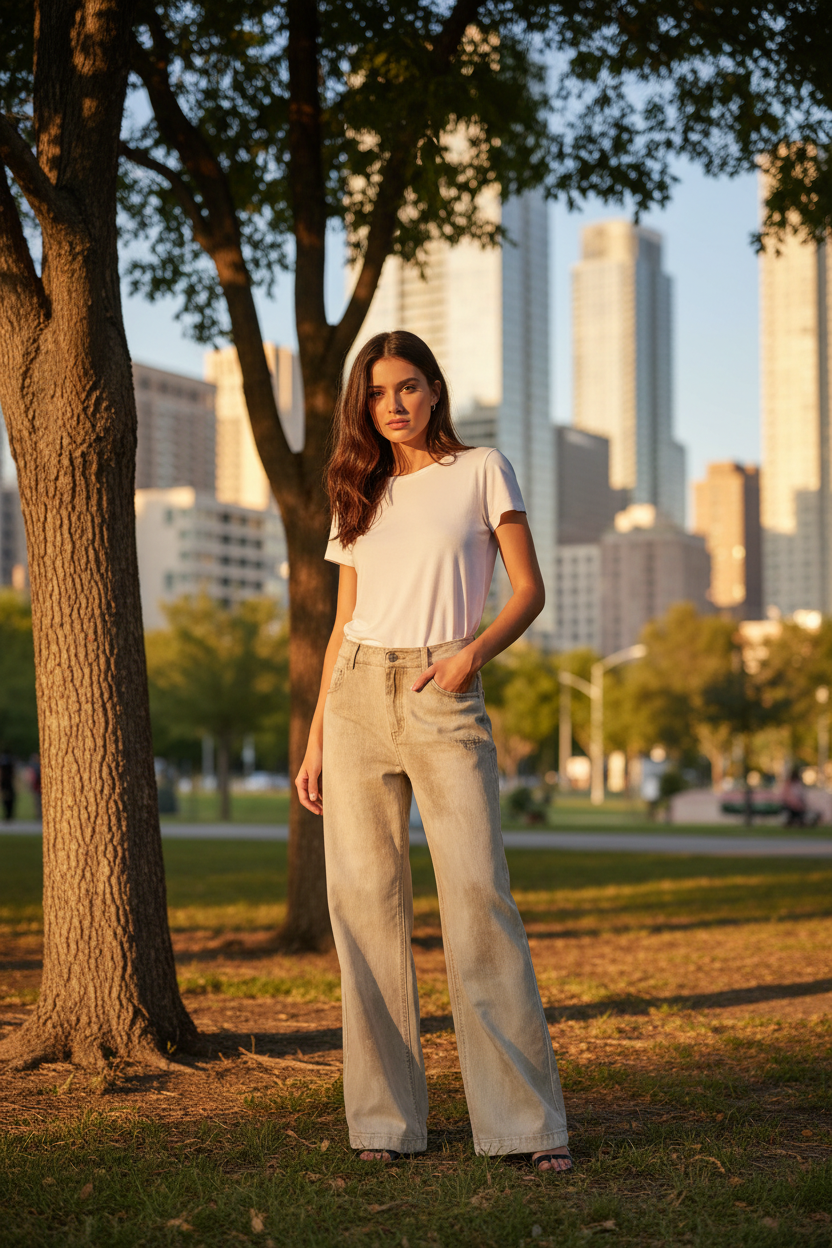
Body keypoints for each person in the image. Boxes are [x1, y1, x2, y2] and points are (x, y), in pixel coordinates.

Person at [296, 330, 571, 1173]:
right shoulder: (357, 490)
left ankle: (525, 1125)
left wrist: (468, 657)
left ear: (434, 390)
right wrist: (315, 736)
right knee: (364, 909)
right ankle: (385, 1123)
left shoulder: (482, 469)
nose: (395, 405)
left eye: (409, 386)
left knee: (479, 899)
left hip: (442, 689)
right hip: (354, 698)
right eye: (379, 393)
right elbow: (342, 622)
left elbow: (529, 590)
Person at [0, 750, 16, 822]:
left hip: (6, 784)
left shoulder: (4, 764)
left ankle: (8, 815)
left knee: (7, 799)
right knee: (8, 799)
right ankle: (9, 815)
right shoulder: (10, 764)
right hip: (7, 784)